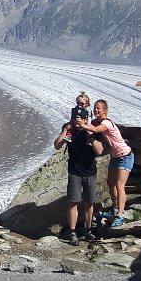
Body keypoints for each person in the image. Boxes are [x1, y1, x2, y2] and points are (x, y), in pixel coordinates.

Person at [79, 99, 134, 226]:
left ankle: (120, 215)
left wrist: (83, 125)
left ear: (105, 110)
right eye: (95, 108)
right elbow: (91, 127)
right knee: (110, 184)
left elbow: (97, 130)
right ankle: (115, 209)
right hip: (115, 157)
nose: (96, 110)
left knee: (120, 185)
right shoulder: (96, 121)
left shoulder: (106, 123)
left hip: (125, 156)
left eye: (99, 108)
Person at [56, 113, 101, 245]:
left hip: (90, 172)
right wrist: (65, 131)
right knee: (73, 202)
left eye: (80, 119)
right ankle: (73, 232)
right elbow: (57, 145)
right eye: (76, 119)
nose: (78, 121)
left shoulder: (92, 131)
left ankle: (88, 230)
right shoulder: (69, 131)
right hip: (74, 172)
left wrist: (90, 135)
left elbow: (99, 151)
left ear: (86, 119)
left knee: (89, 202)